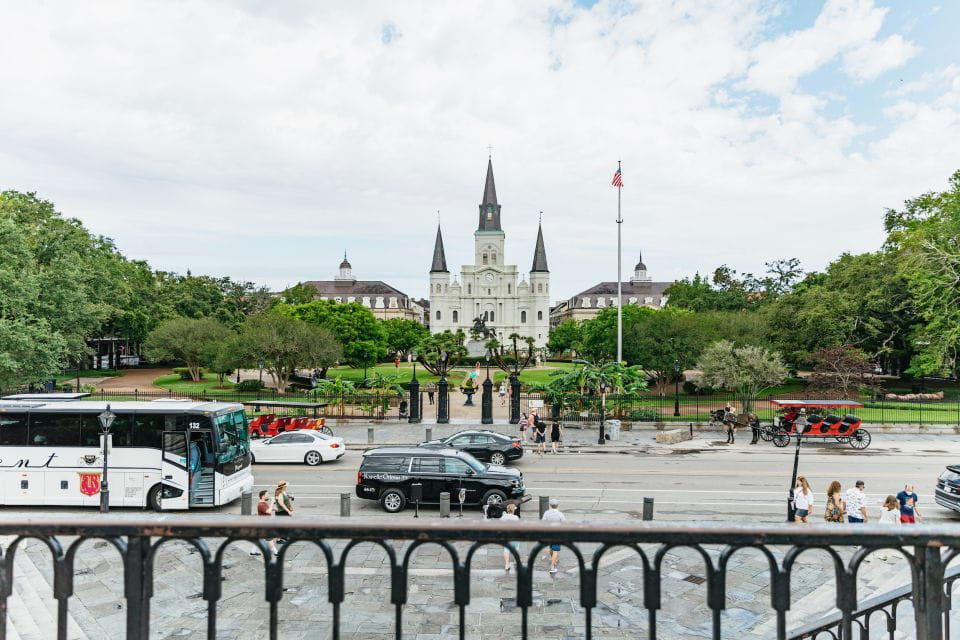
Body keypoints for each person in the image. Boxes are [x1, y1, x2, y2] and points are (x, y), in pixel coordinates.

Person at [250, 490, 279, 557]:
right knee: (269, 538)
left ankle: (253, 552)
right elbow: (268, 511)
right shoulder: (261, 505)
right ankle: (276, 553)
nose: (268, 496)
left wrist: (274, 509)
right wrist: (272, 502)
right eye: (267, 495)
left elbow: (267, 509)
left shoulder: (263, 503)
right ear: (263, 496)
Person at [541, 498, 566, 574]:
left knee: (551, 548)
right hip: (557, 534)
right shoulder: (560, 514)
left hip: (549, 533)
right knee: (555, 551)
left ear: (550, 505)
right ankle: (552, 567)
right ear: (557, 505)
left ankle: (554, 559)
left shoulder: (546, 513)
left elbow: (543, 522)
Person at [876, 495, 902, 561]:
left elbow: (880, 516)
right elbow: (898, 522)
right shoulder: (896, 511)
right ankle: (891, 554)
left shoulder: (882, 508)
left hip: (881, 525)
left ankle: (883, 555)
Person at [500, 503, 521, 572]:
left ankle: (507, 565)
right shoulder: (516, 518)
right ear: (513, 510)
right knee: (516, 549)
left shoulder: (504, 517)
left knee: (506, 549)